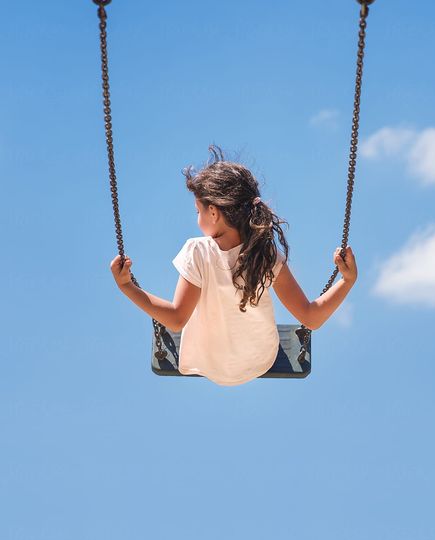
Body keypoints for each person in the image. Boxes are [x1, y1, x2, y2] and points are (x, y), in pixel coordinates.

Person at [110, 144, 358, 386]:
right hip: (259, 359)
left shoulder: (198, 251)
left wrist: (127, 286)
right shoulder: (264, 253)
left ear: (214, 213)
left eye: (198, 211)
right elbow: (311, 317)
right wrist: (347, 281)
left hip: (208, 363)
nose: (197, 218)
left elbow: (176, 320)